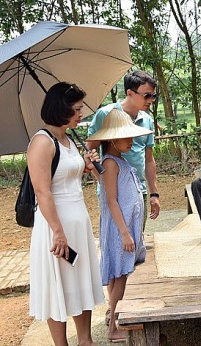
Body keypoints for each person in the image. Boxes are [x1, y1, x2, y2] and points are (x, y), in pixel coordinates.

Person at [27, 82, 104, 346]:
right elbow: (42, 191)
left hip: (77, 220)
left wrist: (84, 165)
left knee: (79, 279)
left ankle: (86, 340)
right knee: (58, 284)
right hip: (55, 224)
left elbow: (65, 175)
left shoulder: (68, 139)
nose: (81, 113)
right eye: (77, 109)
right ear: (62, 109)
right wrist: (57, 232)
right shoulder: (42, 141)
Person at [87, 109, 152, 342]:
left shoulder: (113, 162)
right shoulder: (111, 163)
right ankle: (113, 325)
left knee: (118, 275)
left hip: (124, 226)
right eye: (127, 137)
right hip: (118, 229)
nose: (132, 141)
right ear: (113, 139)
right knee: (120, 275)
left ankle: (114, 322)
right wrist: (125, 232)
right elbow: (111, 200)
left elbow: (108, 187)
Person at [88, 70, 160, 228]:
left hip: (139, 188)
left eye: (153, 96)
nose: (151, 100)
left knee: (136, 237)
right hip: (114, 192)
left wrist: (154, 193)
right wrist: (103, 181)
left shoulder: (147, 120)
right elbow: (90, 153)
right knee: (119, 238)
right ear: (130, 92)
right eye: (147, 95)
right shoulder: (105, 115)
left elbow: (149, 159)